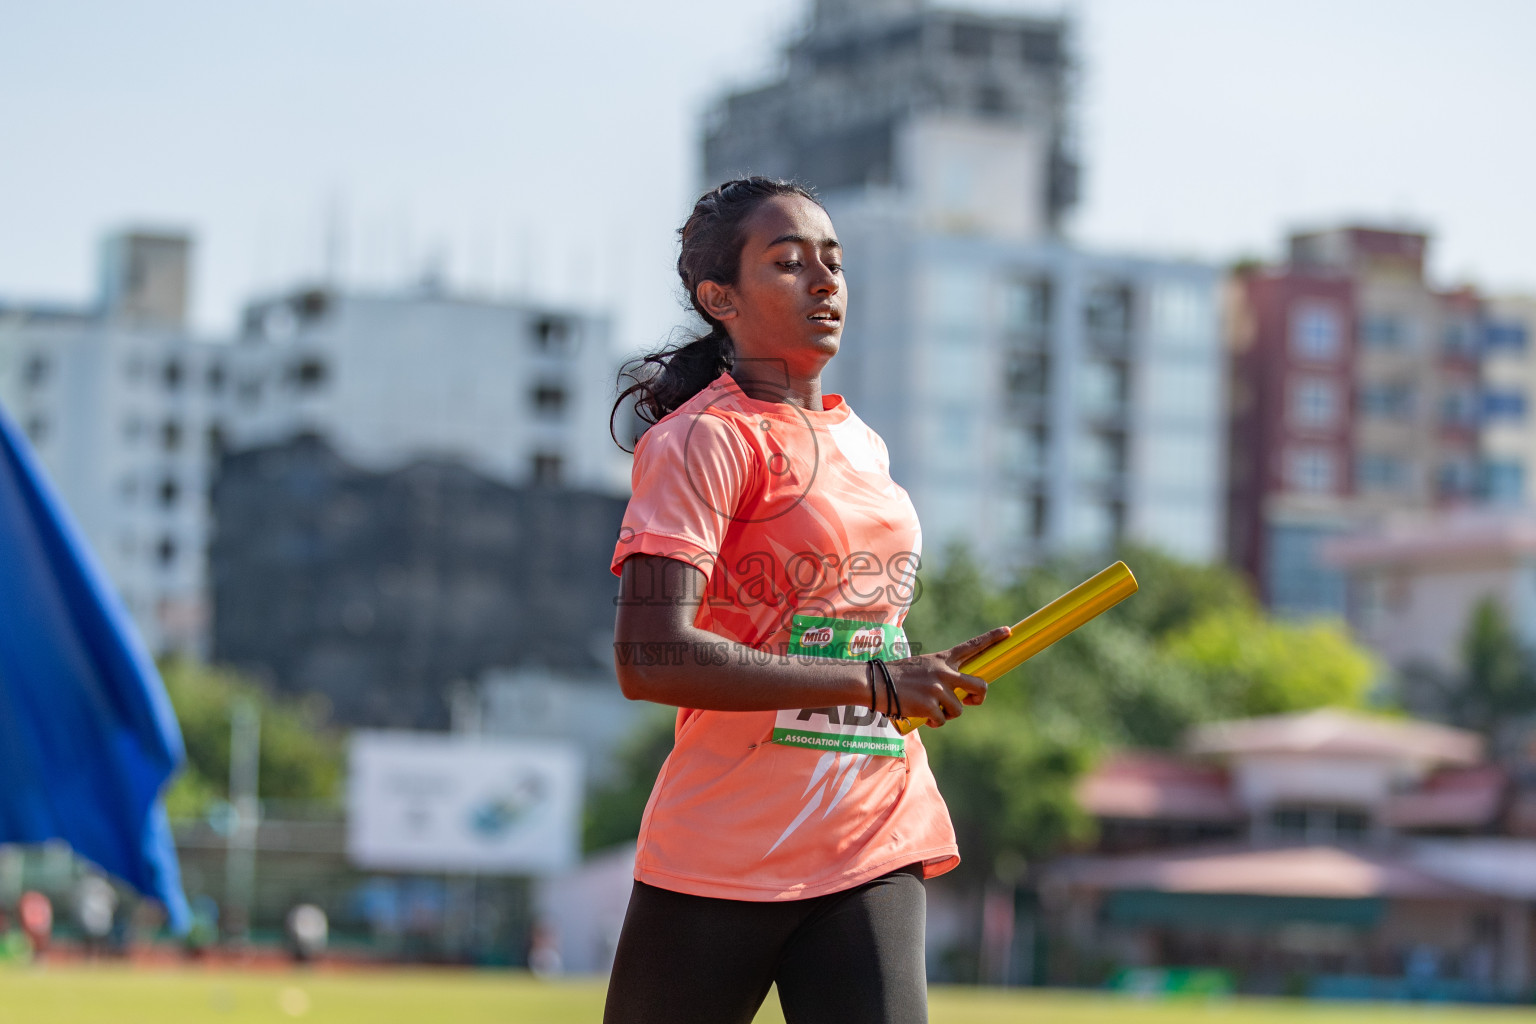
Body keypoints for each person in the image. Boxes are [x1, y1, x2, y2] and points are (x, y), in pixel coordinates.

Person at [603, 177, 1010, 1024]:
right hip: (725, 848)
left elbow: (855, 631)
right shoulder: (700, 443)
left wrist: (911, 676)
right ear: (721, 298)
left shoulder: (863, 442)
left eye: (835, 263)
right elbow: (648, 657)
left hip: (871, 823)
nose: (824, 283)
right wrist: (873, 686)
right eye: (788, 264)